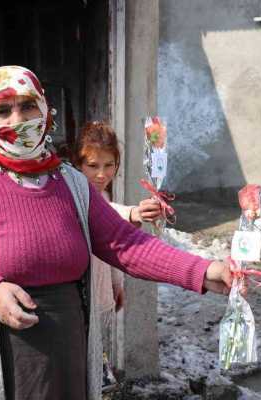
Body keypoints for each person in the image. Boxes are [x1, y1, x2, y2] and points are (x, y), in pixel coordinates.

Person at [0, 65, 236, 400]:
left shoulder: (71, 183)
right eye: (3, 110)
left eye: (27, 106)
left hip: (68, 349)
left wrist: (203, 271)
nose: (17, 120)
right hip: (1, 357)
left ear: (44, 108)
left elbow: (125, 243)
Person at [72, 120, 163, 389]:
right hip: (75, 291)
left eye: (109, 165)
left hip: (98, 285)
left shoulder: (103, 192)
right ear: (77, 164)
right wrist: (133, 213)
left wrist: (115, 284)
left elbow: (110, 244)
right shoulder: (71, 191)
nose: (101, 174)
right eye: (92, 166)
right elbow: (103, 216)